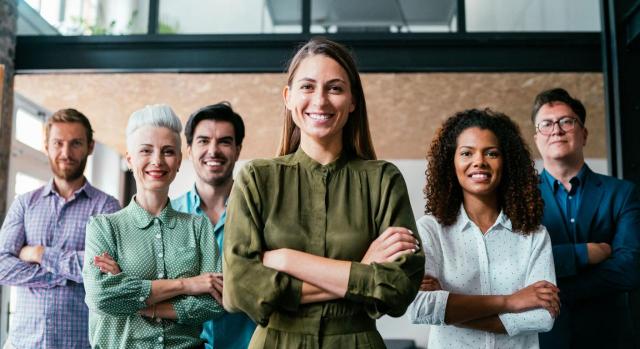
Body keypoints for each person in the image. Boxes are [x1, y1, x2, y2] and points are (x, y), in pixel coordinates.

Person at [222, 37, 425, 348]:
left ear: (353, 100)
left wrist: (287, 260)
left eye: (335, 88)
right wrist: (363, 272)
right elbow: (239, 290)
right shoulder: (256, 178)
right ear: (288, 97)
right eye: (307, 87)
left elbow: (399, 288)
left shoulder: (383, 179)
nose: (320, 101)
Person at [410, 109, 558, 348]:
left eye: (491, 153)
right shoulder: (431, 230)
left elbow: (542, 317)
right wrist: (510, 301)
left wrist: (449, 308)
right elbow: (420, 307)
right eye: (466, 153)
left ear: (506, 162)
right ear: (452, 162)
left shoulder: (534, 235)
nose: (479, 161)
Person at [82, 104, 225, 348]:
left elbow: (214, 303)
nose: (157, 161)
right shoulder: (104, 228)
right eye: (146, 151)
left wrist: (139, 300)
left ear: (179, 161)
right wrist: (187, 285)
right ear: (130, 159)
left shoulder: (198, 227)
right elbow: (102, 297)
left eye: (168, 151)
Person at [0, 108, 120, 349]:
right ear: (47, 146)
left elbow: (104, 271)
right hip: (24, 343)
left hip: (79, 344)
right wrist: (70, 274)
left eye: (76, 143)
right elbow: (2, 266)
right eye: (58, 143)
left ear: (90, 146)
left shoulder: (107, 206)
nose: (66, 153)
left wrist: (39, 254)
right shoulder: (25, 204)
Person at [532, 88, 640, 348]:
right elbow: (516, 262)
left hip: (609, 336)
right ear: (536, 138)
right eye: (546, 124)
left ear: (584, 134)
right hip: (543, 338)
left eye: (566, 122)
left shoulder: (622, 193)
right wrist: (583, 254)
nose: (556, 130)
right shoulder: (517, 199)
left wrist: (560, 291)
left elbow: (630, 268)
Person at [172, 102, 256, 349]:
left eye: (224, 142)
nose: (213, 150)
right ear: (189, 150)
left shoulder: (260, 215)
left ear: (238, 150)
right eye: (203, 141)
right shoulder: (167, 215)